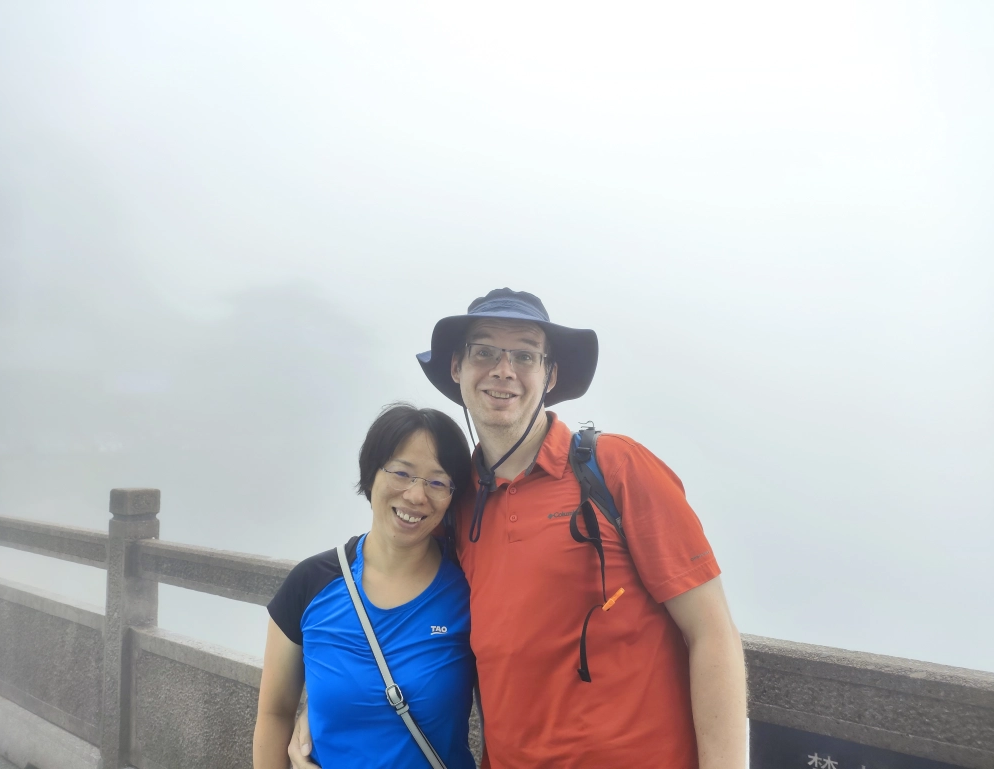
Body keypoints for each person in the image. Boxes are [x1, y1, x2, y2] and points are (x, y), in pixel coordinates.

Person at [292, 288, 747, 769]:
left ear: (549, 375)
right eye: (483, 351)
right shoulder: (457, 502)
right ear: (457, 369)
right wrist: (321, 708)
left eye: (525, 355)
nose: (503, 369)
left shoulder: (616, 469)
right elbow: (395, 603)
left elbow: (712, 632)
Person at [255, 403, 476, 769]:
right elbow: (275, 713)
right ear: (371, 473)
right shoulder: (311, 583)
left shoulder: (467, 590)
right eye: (402, 473)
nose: (417, 496)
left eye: (438, 481)